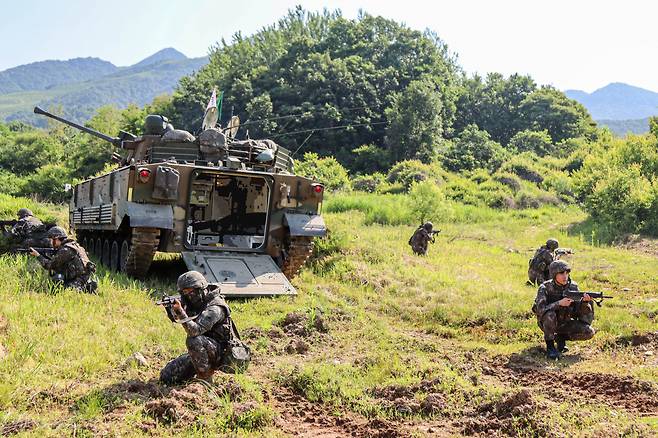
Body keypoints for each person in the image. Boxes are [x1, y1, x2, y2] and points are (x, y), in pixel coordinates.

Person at [160, 271, 234, 384]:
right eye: (184, 292)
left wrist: (180, 312)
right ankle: (198, 371)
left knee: (193, 340)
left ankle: (205, 379)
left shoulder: (215, 307)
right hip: (202, 351)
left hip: (222, 353)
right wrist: (172, 310)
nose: (188, 296)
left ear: (201, 289)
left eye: (190, 291)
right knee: (167, 376)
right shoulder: (196, 303)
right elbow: (179, 318)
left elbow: (194, 331)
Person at [532, 260, 595, 359]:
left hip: (565, 322)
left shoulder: (573, 286)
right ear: (554, 274)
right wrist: (559, 303)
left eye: (567, 273)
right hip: (548, 323)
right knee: (550, 315)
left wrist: (585, 303)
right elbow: (540, 310)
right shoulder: (545, 287)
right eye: (561, 273)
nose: (565, 276)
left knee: (589, 332)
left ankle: (560, 337)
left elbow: (579, 311)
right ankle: (550, 347)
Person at [29, 226, 97, 293]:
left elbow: (49, 265)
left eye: (51, 240)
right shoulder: (74, 246)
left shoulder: (66, 250)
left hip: (79, 280)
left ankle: (84, 288)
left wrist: (38, 255)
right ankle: (86, 286)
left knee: (61, 291)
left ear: (56, 238)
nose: (50, 242)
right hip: (83, 277)